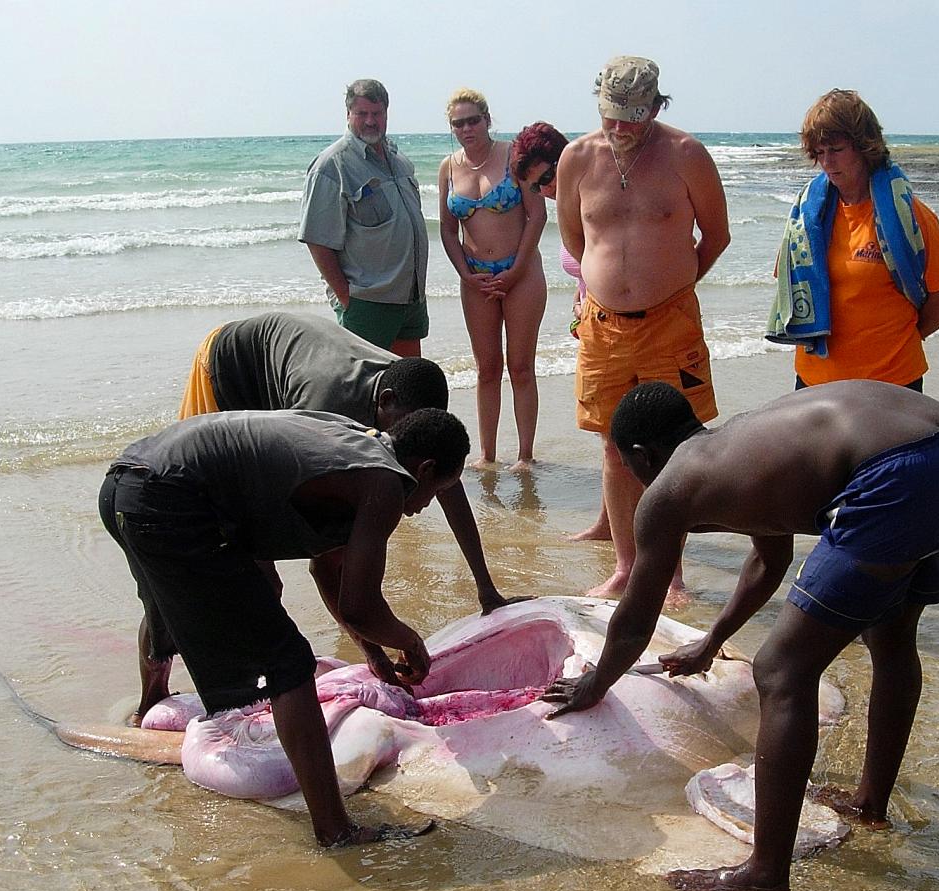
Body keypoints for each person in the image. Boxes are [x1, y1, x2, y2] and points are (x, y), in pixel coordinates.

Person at [541, 380, 939, 891]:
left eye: (627, 467)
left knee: (781, 670)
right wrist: (713, 640)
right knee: (889, 635)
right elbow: (768, 560)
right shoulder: (740, 449)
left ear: (640, 456)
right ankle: (870, 801)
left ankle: (764, 873)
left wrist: (594, 685)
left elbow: (635, 623)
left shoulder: (669, 490)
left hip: (895, 474)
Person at [101, 407, 471, 847]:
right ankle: (335, 830)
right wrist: (409, 641)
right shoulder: (384, 482)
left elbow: (330, 573)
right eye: (436, 491)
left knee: (165, 603)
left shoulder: (359, 444)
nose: (424, 506)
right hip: (170, 499)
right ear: (424, 469)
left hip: (125, 484)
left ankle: (149, 707)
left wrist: (372, 653)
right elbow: (360, 606)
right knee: (288, 666)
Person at [155, 310, 526, 717]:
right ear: (385, 404)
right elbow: (321, 554)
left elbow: (444, 479)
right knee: (244, 565)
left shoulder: (406, 399)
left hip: (289, 365)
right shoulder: (329, 407)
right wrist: (370, 644)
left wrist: (486, 589)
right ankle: (184, 689)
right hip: (229, 367)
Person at [557, 56, 731, 600]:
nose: (620, 128)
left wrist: (671, 290)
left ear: (658, 107)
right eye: (611, 115)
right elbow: (574, 240)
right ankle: (626, 567)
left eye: (633, 117)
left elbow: (717, 235)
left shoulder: (686, 155)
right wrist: (613, 288)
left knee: (673, 447)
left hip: (671, 324)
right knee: (613, 447)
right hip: (604, 328)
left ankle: (670, 573)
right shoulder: (577, 158)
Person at [767, 89, 939, 392]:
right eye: (819, 152)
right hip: (815, 382)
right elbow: (784, 278)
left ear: (864, 146)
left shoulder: (912, 217)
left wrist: (900, 342)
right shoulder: (806, 217)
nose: (827, 162)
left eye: (836, 149)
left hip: (892, 384)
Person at [437, 90, 548, 471]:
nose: (467, 129)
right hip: (477, 280)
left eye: (473, 120)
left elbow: (537, 216)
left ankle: (525, 455)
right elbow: (448, 231)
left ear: (487, 119)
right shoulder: (448, 167)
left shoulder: (513, 156)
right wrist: (465, 274)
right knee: (486, 368)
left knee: (520, 366)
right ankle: (486, 455)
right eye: (458, 123)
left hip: (521, 275)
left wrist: (516, 270)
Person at [510, 121, 610, 541]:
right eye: (535, 187)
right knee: (608, 434)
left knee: (623, 435)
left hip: (618, 325)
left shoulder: (595, 195)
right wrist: (579, 300)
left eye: (548, 177)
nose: (545, 190)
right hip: (592, 324)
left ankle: (635, 533)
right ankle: (609, 524)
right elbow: (587, 266)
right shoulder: (568, 201)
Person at [299, 79, 430, 356]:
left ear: (386, 114)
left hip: (409, 298)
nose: (370, 121)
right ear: (348, 115)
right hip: (367, 303)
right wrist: (346, 298)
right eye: (362, 114)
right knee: (364, 392)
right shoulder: (332, 166)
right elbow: (317, 240)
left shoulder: (399, 160)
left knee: (408, 389)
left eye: (377, 113)